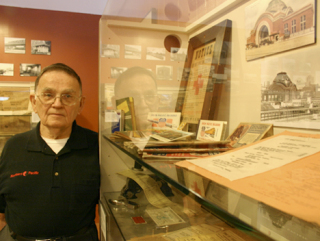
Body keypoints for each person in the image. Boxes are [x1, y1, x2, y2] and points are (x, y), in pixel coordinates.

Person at [0, 63, 100, 241]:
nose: (57, 104)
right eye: (48, 95)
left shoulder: (97, 146)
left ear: (80, 104)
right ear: (34, 102)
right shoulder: (13, 146)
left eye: (68, 96)